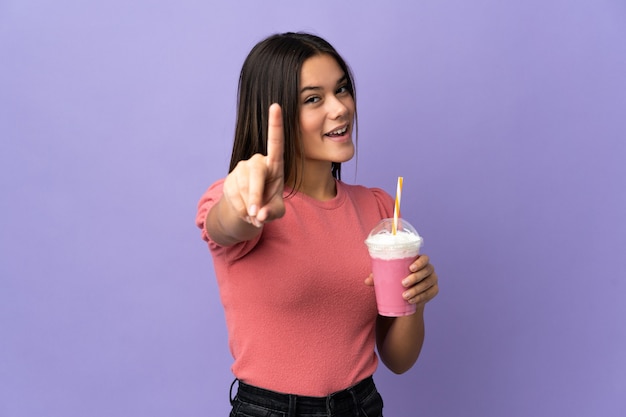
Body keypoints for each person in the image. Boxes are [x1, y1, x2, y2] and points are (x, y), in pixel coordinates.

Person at [196, 32, 439, 417]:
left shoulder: (378, 210)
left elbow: (398, 359)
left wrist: (416, 301)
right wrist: (241, 204)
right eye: (313, 99)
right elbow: (224, 224)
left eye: (342, 90)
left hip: (361, 406)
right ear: (274, 112)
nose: (340, 108)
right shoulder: (246, 202)